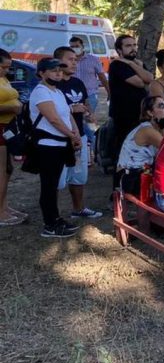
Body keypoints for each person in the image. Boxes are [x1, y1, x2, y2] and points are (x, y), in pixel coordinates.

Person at [31, 58, 82, 238]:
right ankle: (50, 224)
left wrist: (75, 132)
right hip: (47, 145)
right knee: (49, 185)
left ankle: (56, 218)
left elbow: (67, 115)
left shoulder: (57, 92)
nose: (58, 73)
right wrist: (71, 135)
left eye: (60, 69)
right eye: (53, 70)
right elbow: (53, 119)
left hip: (61, 144)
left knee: (53, 185)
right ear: (41, 73)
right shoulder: (41, 92)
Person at [54, 47, 102, 219]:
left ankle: (78, 209)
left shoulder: (77, 82)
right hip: (59, 137)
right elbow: (49, 111)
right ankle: (54, 215)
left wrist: (89, 113)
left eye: (75, 60)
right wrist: (71, 108)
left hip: (79, 135)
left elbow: (85, 102)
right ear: (58, 61)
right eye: (70, 59)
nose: (74, 63)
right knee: (57, 178)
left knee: (79, 174)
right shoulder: (53, 85)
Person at [108, 35, 154, 170]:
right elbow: (140, 83)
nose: (133, 48)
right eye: (128, 46)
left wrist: (134, 64)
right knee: (123, 149)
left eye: (134, 45)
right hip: (124, 115)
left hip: (140, 114)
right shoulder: (117, 65)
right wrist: (133, 65)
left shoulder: (137, 64)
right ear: (119, 50)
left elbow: (149, 78)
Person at [116, 96, 164, 196]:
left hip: (140, 172)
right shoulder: (148, 130)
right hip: (131, 176)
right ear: (150, 112)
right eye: (161, 106)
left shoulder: (154, 128)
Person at [0, 49, 25, 226]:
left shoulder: (4, 79)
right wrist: (12, 108)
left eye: (8, 67)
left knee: (8, 170)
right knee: (1, 171)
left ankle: (4, 206)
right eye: (3, 67)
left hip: (9, 127)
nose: (7, 71)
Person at [69, 36, 108, 146]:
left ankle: (94, 142)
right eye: (72, 46)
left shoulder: (93, 59)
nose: (74, 48)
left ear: (82, 46)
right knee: (76, 121)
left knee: (87, 120)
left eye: (77, 46)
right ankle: (85, 143)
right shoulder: (69, 61)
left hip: (90, 95)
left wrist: (109, 91)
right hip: (73, 96)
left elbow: (102, 77)